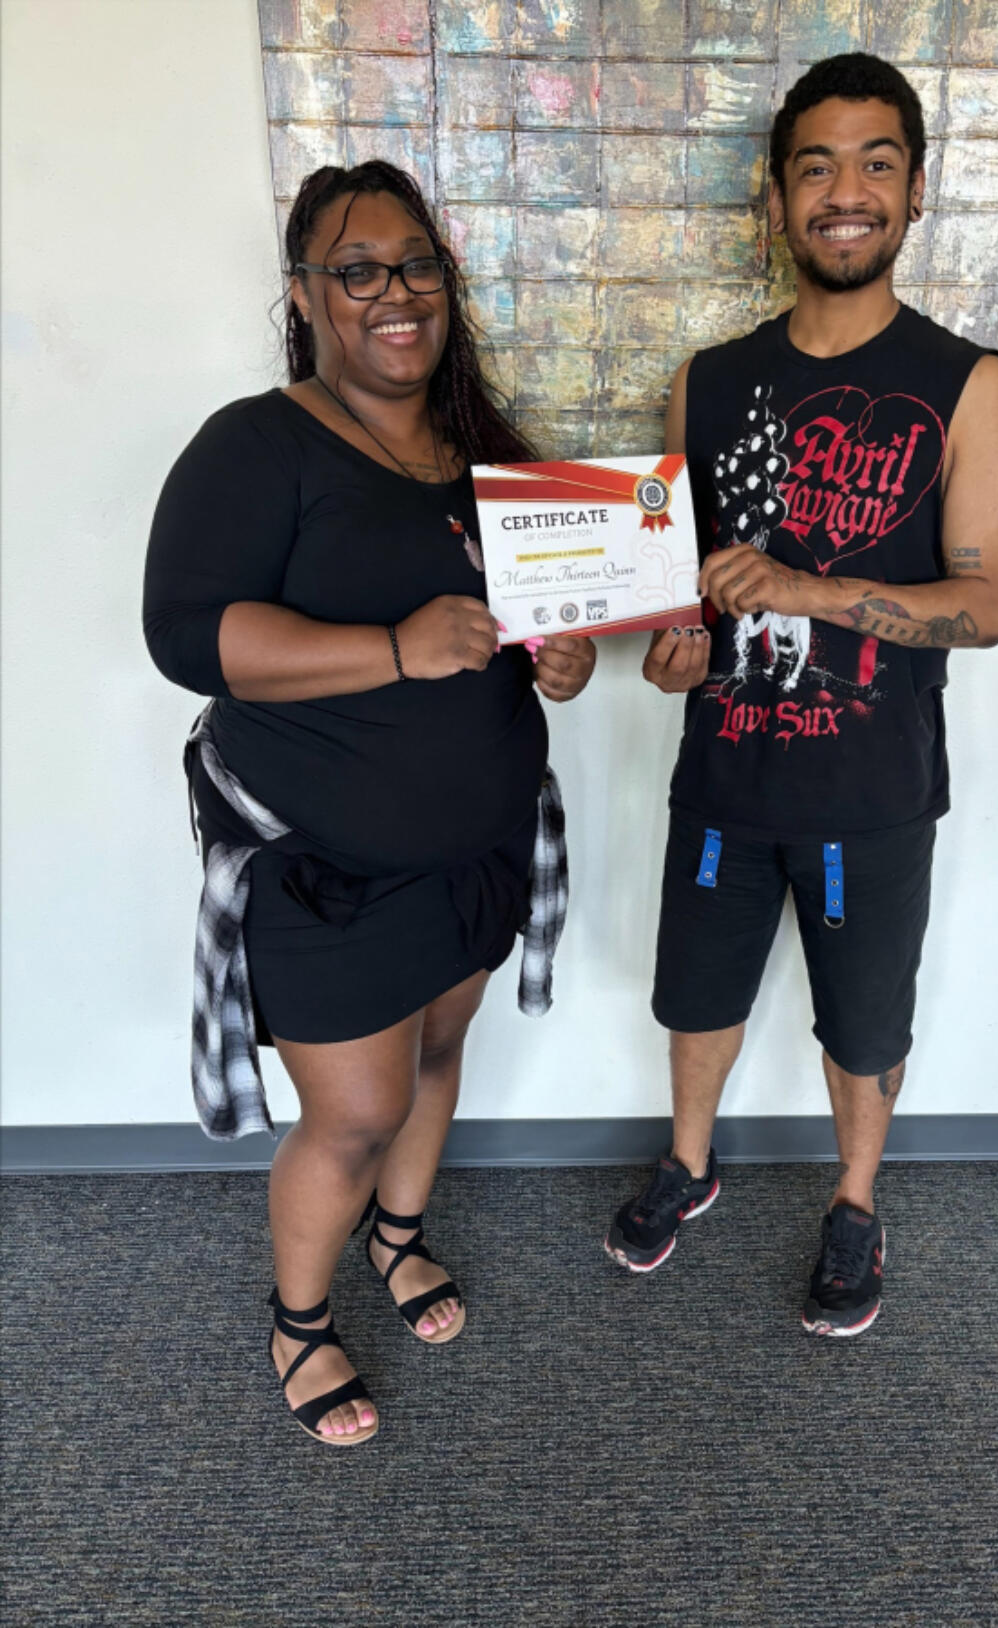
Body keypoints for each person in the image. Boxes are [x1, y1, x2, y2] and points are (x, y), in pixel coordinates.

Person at [144, 160, 595, 1445]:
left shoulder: (490, 462)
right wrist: (394, 647)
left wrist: (555, 654)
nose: (393, 294)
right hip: (322, 871)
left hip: (480, 849)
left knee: (439, 1056)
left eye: (416, 266)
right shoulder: (257, 442)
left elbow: (530, 629)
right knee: (353, 1109)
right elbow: (186, 634)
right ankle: (300, 1319)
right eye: (357, 270)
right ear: (305, 293)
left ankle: (398, 1238)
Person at [604, 54, 998, 1336]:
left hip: (871, 788)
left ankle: (853, 1199)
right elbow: (686, 597)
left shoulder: (968, 383)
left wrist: (812, 585)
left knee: (861, 1018)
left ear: (912, 192)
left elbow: (986, 603)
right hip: (725, 772)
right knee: (695, 996)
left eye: (875, 164)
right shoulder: (709, 377)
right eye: (815, 166)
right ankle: (688, 1163)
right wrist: (672, 647)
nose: (845, 192)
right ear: (777, 197)